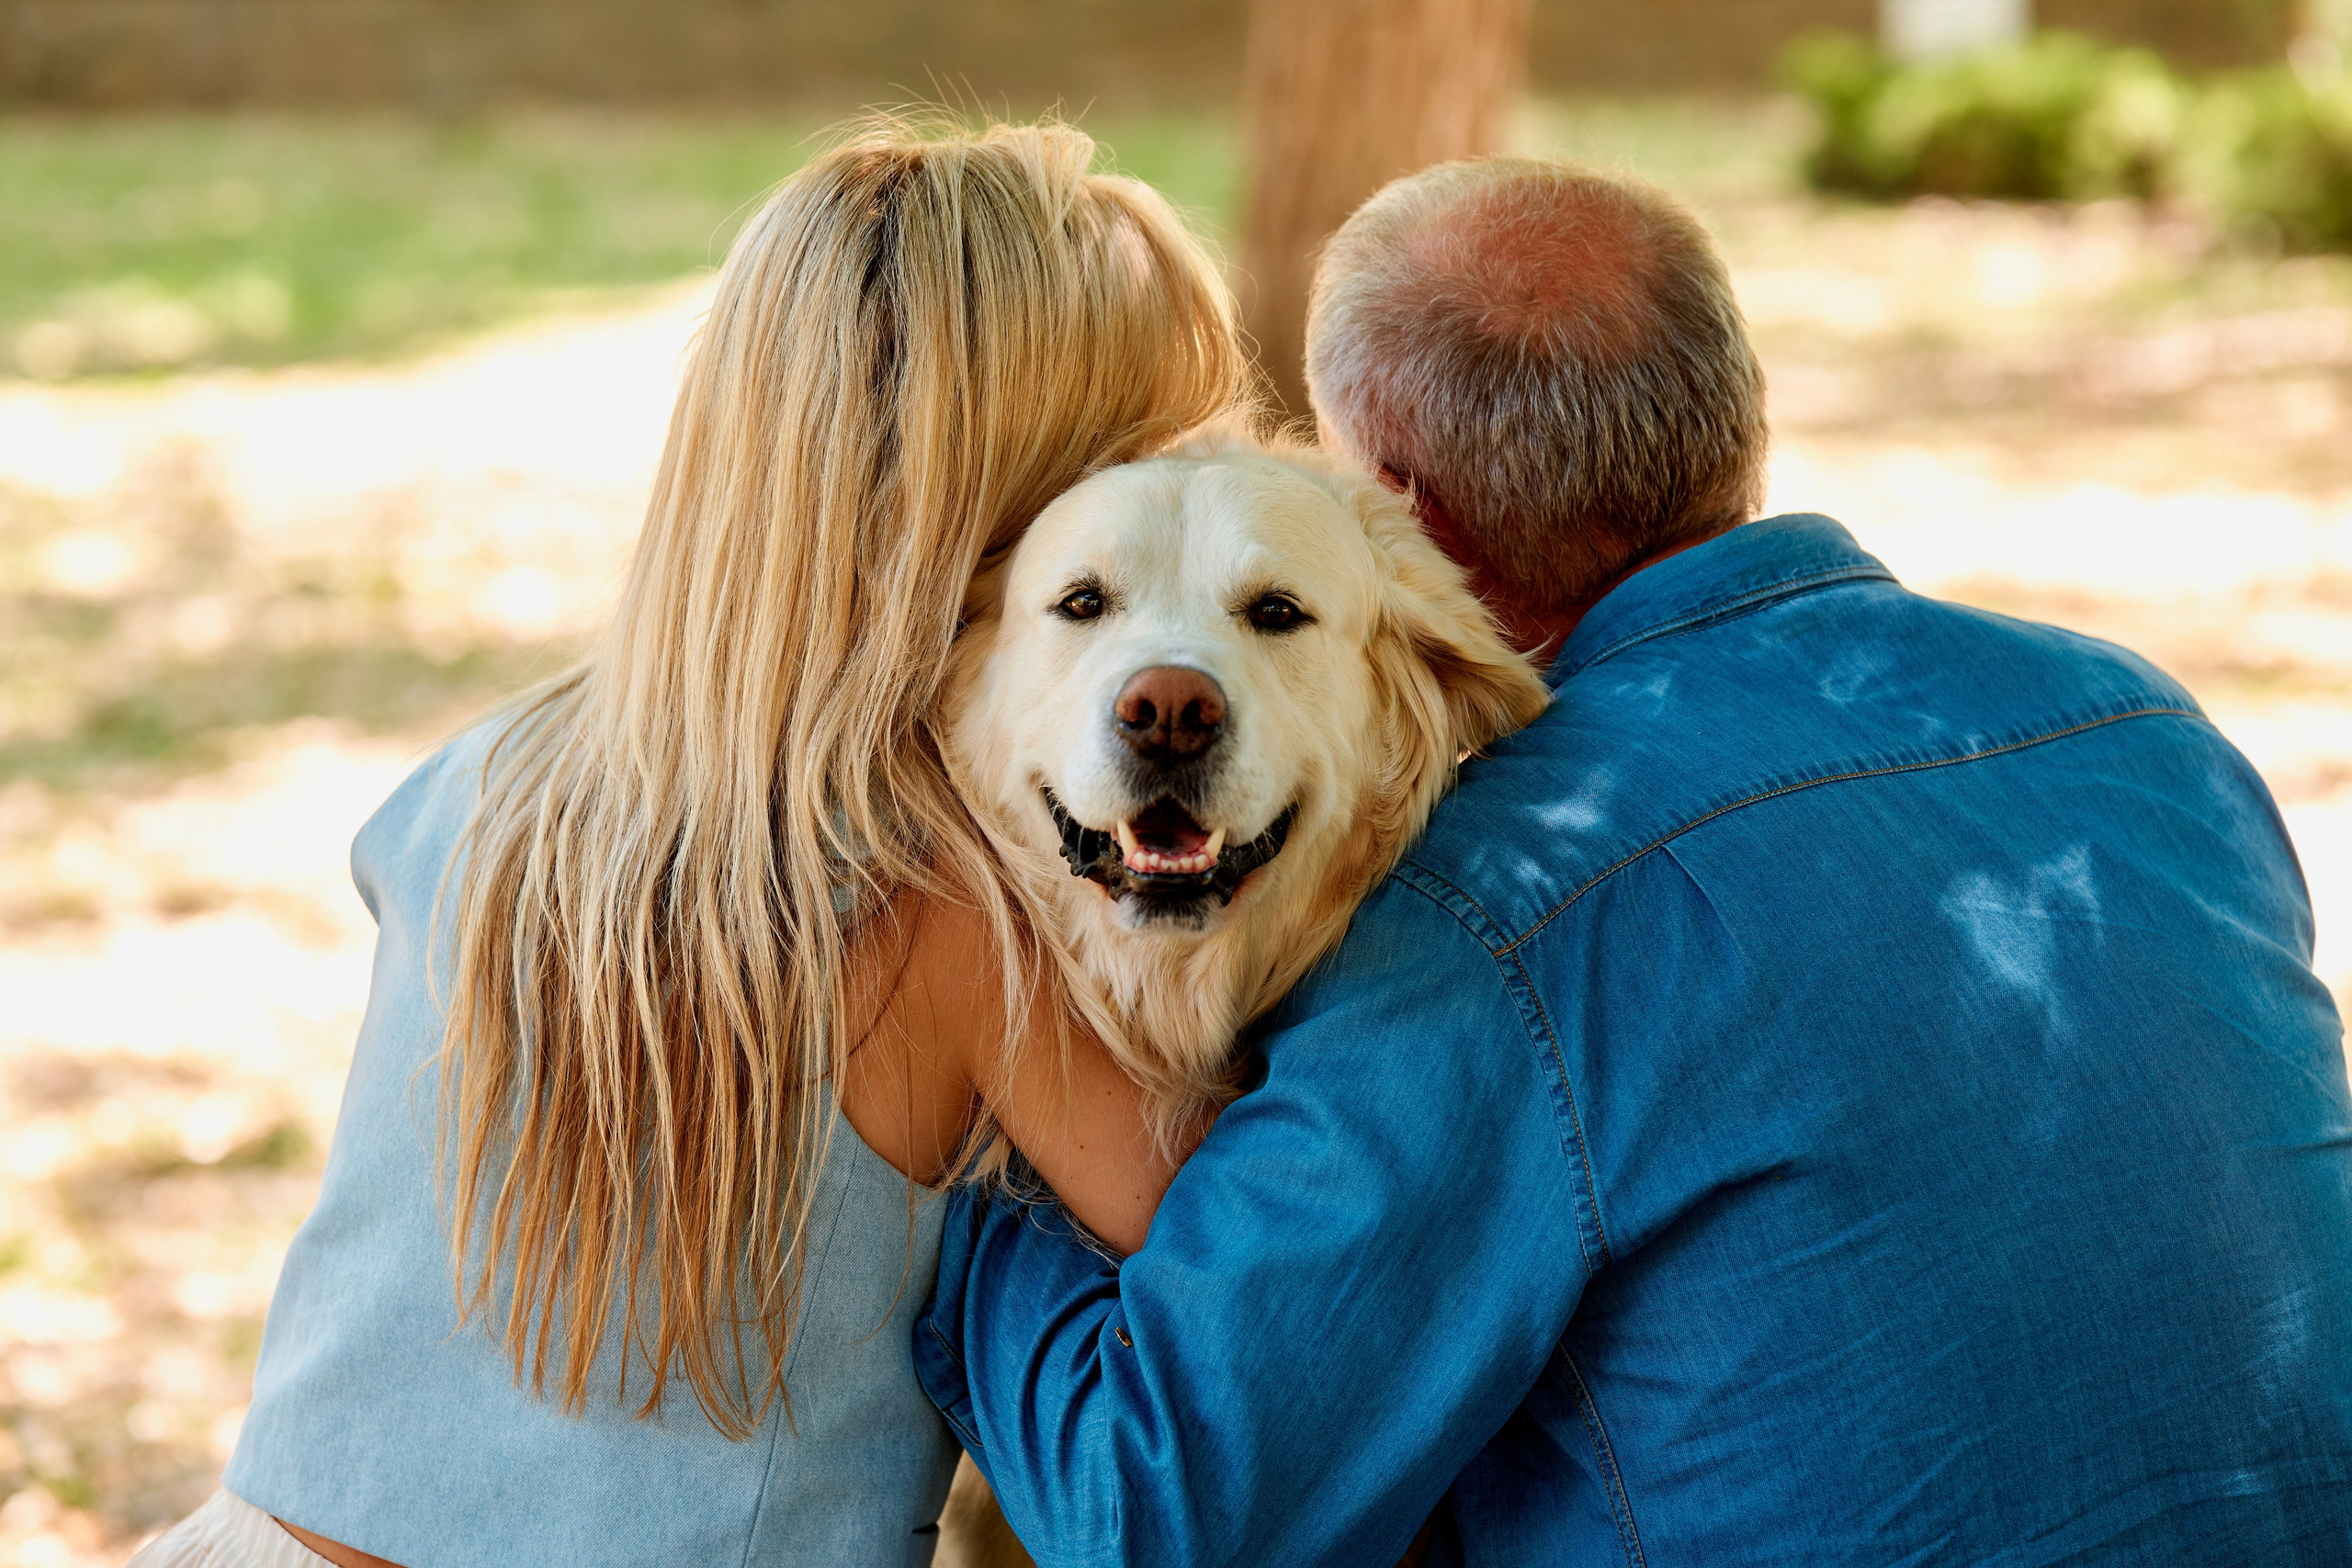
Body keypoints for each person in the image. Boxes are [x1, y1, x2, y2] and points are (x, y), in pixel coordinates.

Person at [915, 158, 2352, 1564]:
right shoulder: (2147, 729)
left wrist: (955, 1156)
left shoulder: (1500, 907)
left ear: (1417, 532)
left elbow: (1154, 1514)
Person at [134, 119, 1243, 1568]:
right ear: (1008, 523)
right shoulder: (955, 911)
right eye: (1148, 470)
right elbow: (1259, 1259)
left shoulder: (473, 786)